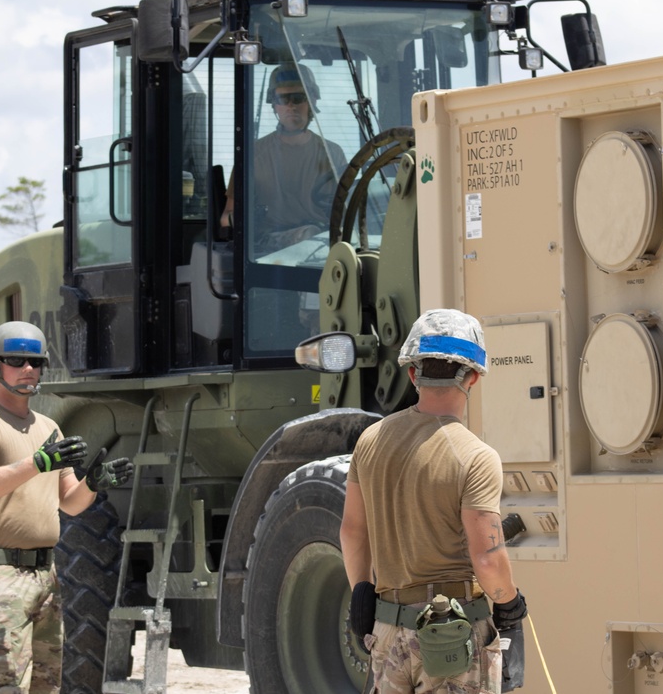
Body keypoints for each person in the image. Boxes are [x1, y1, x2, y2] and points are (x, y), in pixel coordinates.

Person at [340, 309, 528, 693]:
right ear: (473, 376)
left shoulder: (370, 442)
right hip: (451, 640)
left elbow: (352, 531)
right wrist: (509, 604)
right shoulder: (476, 456)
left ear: (413, 373)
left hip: (387, 632)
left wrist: (362, 590)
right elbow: (489, 560)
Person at [0, 321, 134, 693]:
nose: (28, 369)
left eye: (36, 362)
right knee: (0, 686)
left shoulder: (48, 426)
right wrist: (36, 463)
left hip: (44, 577)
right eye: (16, 360)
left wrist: (95, 483)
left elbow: (69, 503)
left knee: (46, 686)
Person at [221, 63, 347, 255]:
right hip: (269, 244)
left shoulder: (332, 152)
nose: (290, 106)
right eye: (282, 99)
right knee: (310, 236)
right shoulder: (252, 154)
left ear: (311, 101)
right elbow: (225, 218)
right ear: (274, 105)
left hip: (321, 240)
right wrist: (245, 217)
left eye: (298, 98)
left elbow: (347, 209)